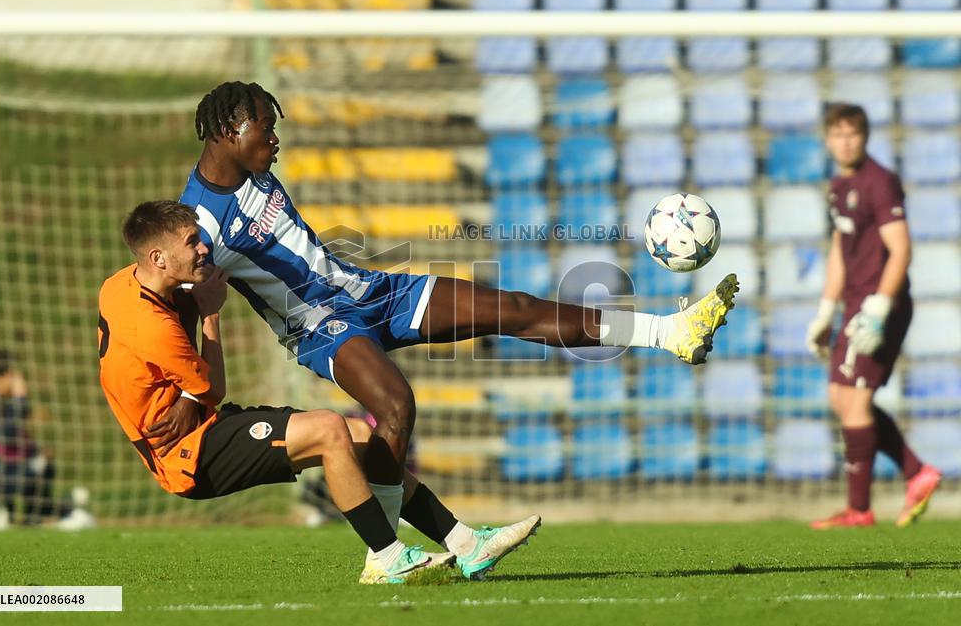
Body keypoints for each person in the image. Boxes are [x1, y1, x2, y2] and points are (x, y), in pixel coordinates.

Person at [177, 80, 738, 576]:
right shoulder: (198, 225)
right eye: (266, 129)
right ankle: (385, 557)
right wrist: (184, 390)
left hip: (368, 290)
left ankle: (670, 332)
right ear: (228, 131)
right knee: (395, 406)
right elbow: (173, 302)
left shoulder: (256, 171)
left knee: (511, 307)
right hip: (318, 325)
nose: (275, 139)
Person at [101, 200, 549, 584]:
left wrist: (184, 396)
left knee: (361, 436)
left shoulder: (119, 286)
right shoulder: (153, 327)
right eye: (191, 242)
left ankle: (465, 543)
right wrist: (211, 316)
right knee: (329, 429)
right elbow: (212, 388)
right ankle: (386, 558)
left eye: (200, 237)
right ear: (158, 258)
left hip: (200, 426)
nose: (204, 247)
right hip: (188, 455)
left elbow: (159, 372)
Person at [806, 104, 941, 529]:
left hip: (881, 304)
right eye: (838, 134)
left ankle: (859, 509)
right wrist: (825, 311)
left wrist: (880, 308)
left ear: (865, 138)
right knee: (840, 395)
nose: (845, 142)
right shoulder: (838, 186)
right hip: (854, 303)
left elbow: (901, 249)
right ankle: (917, 473)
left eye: (853, 134)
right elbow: (840, 248)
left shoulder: (879, 182)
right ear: (827, 140)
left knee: (855, 399)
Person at [0, 350, 94, 530]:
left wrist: (36, 454)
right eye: (13, 376)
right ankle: (47, 514)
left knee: (39, 463)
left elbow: (12, 441)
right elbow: (2, 438)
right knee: (29, 468)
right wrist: (19, 399)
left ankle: (39, 514)